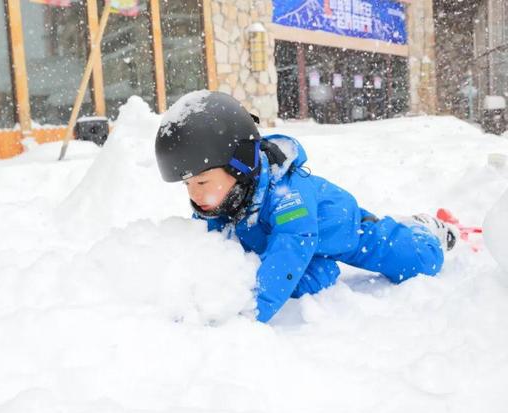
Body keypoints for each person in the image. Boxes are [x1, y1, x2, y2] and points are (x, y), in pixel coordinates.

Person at [155, 91, 457, 323]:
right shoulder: (219, 198)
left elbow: (291, 243)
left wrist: (247, 312)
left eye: (202, 182)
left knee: (416, 261)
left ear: (240, 165)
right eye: (187, 185)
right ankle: (320, 266)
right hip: (293, 244)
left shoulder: (288, 195)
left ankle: (421, 228)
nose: (194, 195)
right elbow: (213, 249)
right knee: (297, 274)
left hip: (344, 230)